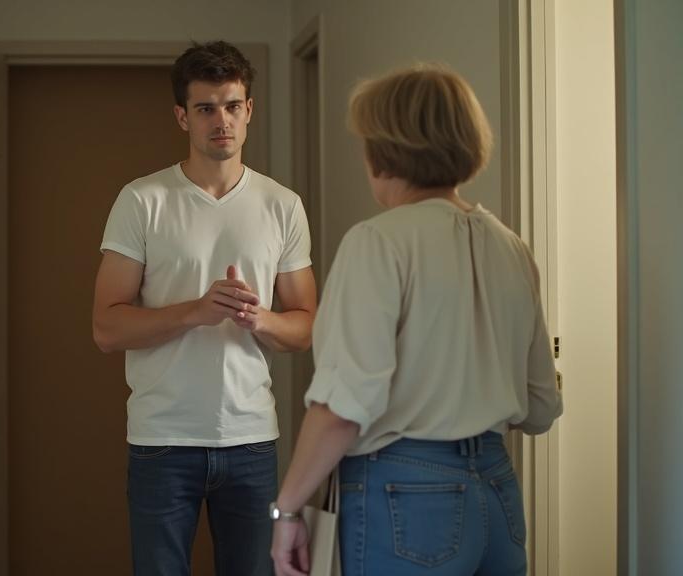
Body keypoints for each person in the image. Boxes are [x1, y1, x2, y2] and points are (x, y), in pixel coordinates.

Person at [269, 64, 563, 576]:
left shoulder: (377, 242)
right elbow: (540, 408)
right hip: (497, 491)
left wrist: (288, 509)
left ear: (383, 150)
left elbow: (345, 406)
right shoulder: (511, 247)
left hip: (405, 495)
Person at [92, 40, 317, 576]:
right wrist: (195, 311)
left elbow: (306, 328)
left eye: (232, 105)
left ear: (249, 110)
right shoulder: (142, 200)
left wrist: (258, 318)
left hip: (251, 439)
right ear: (182, 117)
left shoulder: (282, 205)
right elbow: (106, 327)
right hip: (162, 440)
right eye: (206, 108)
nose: (222, 120)